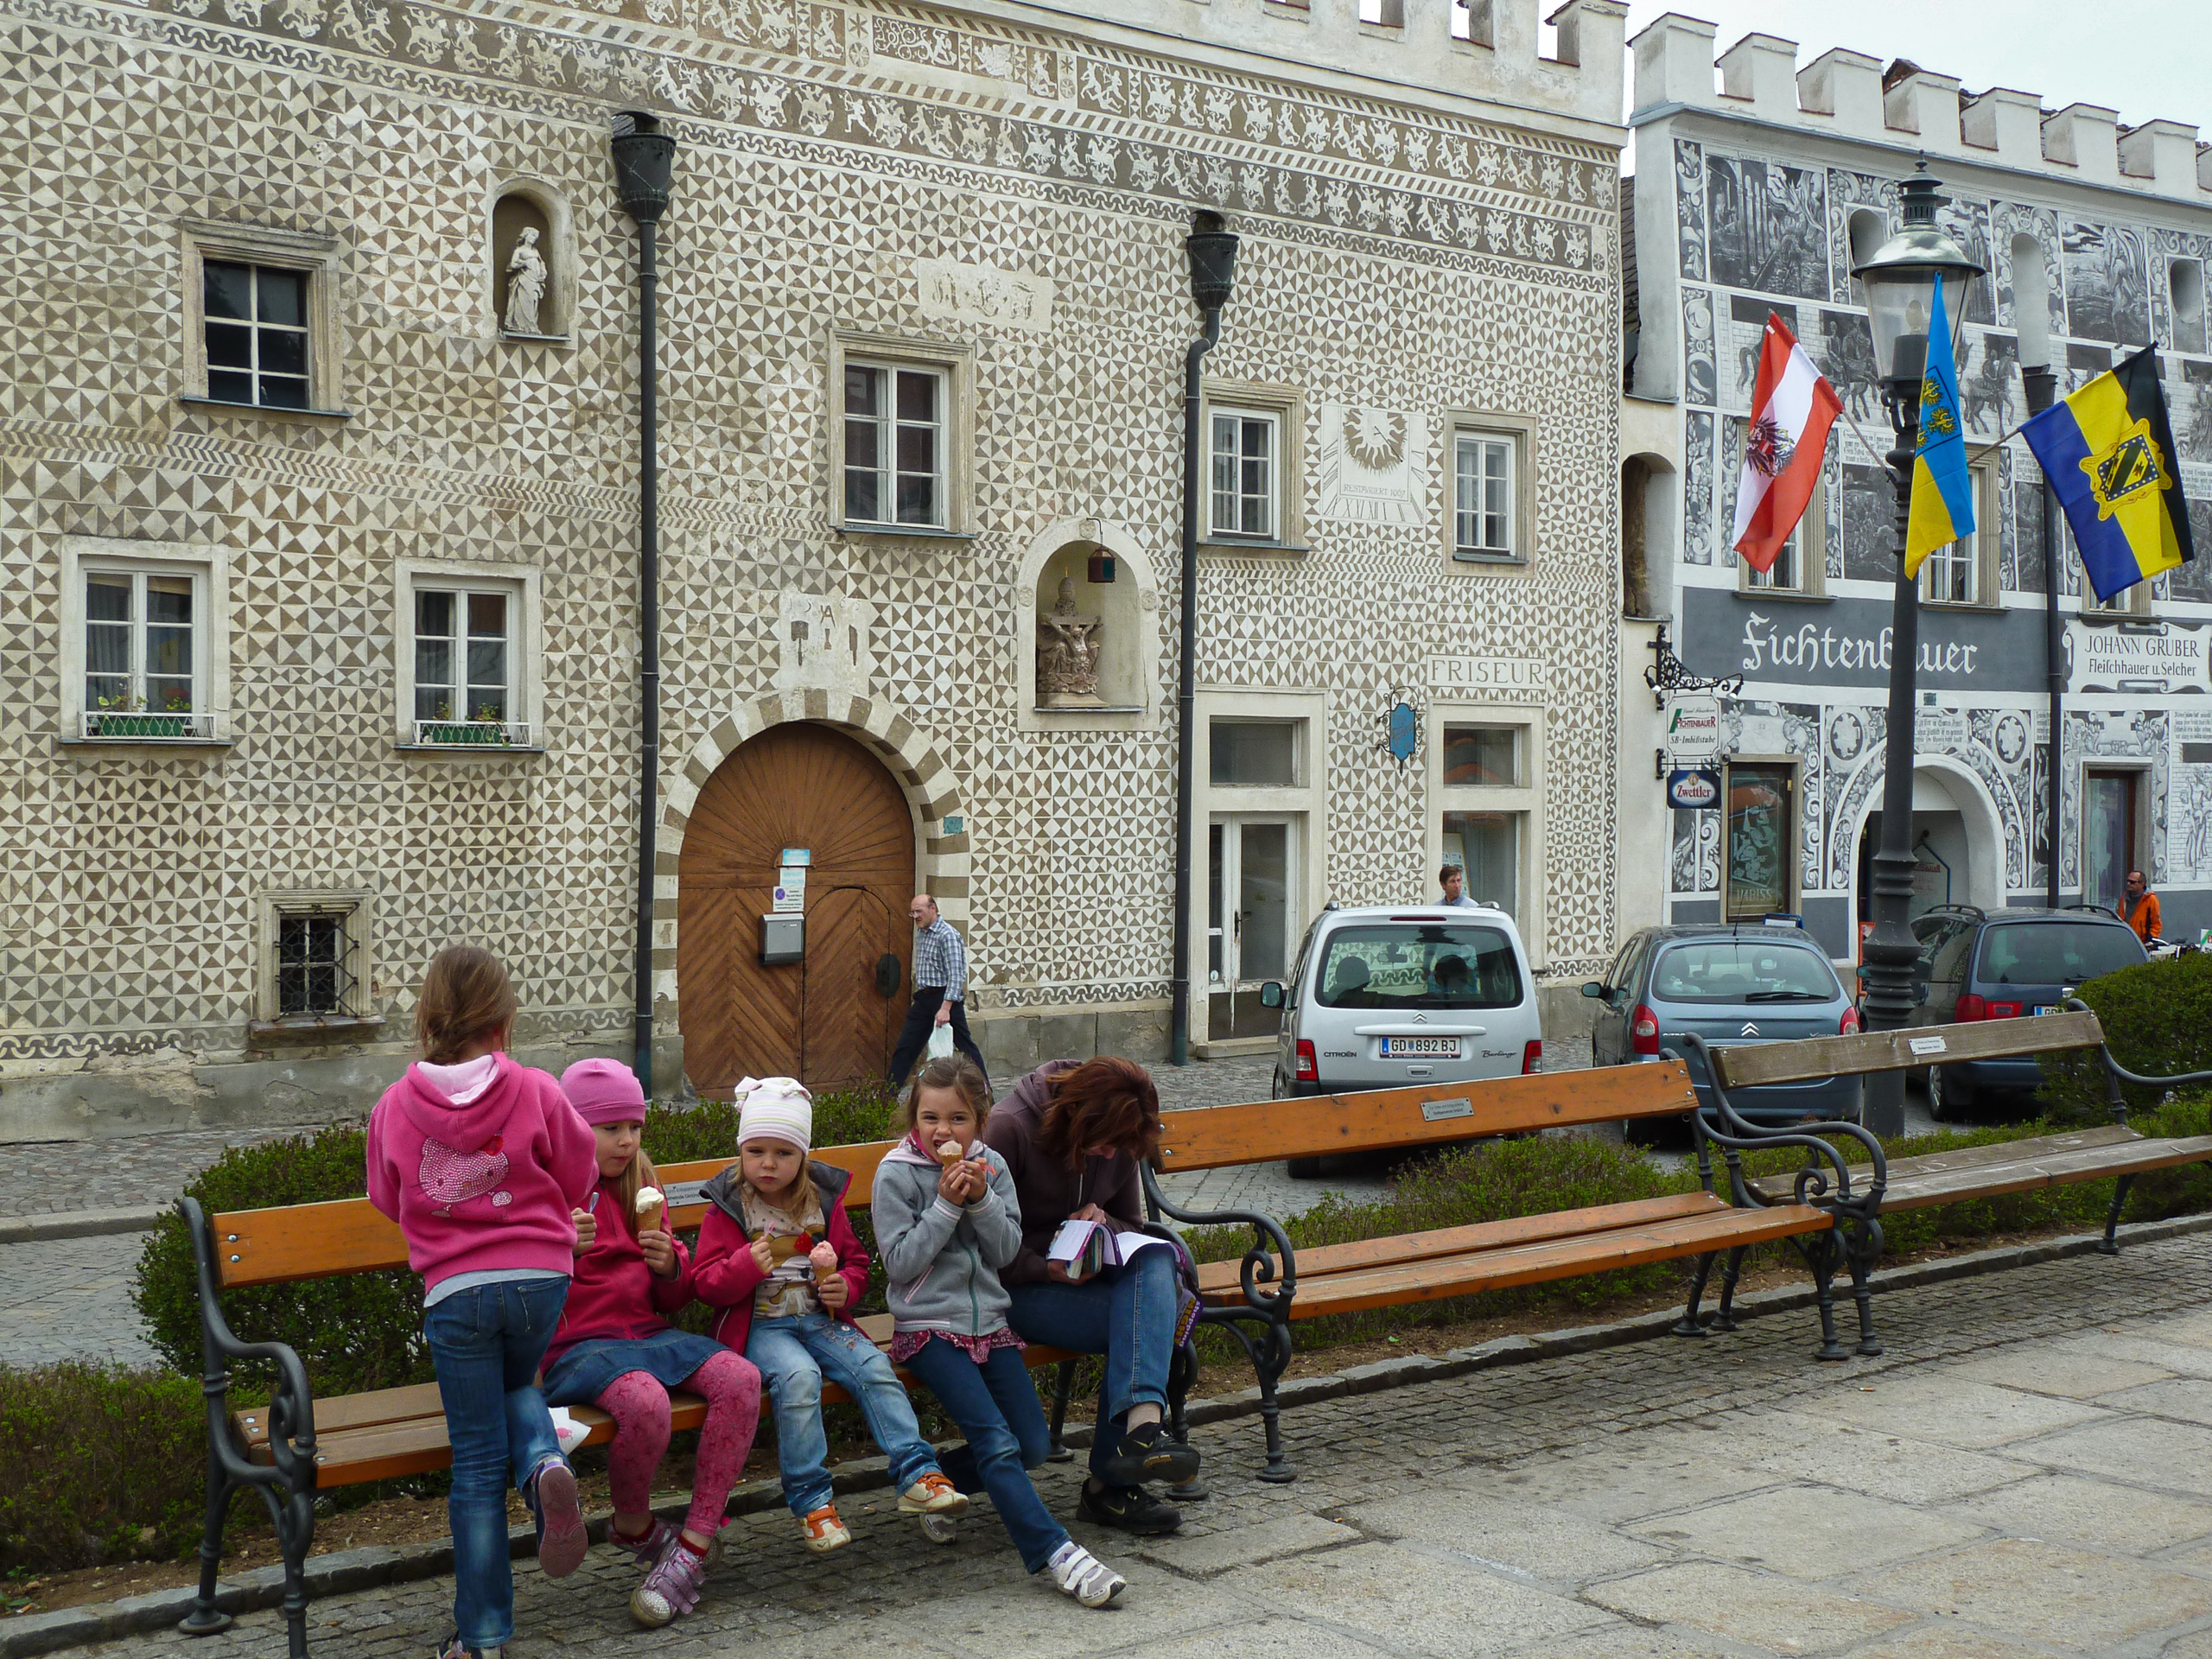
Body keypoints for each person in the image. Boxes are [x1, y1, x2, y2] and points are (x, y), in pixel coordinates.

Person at [365, 945, 599, 1659]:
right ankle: (543, 1467)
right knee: (512, 1384)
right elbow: (581, 1165)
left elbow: (385, 1196)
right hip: (542, 1281)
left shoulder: (395, 1105)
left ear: (427, 1014)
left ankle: (484, 1636)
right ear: (503, 1019)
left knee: (472, 1467)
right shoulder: (533, 1087)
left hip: (458, 1294)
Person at [874, 1055, 1129, 1608]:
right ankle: (1059, 1555)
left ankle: (933, 1480)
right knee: (996, 1441)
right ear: (913, 1119)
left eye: (958, 1119)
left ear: (981, 1121)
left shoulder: (992, 1167)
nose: (943, 1131)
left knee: (1032, 1446)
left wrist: (981, 1200)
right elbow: (900, 1263)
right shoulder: (895, 1173)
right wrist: (944, 1205)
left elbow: (1008, 1250)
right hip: (928, 1328)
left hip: (989, 1323)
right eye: (930, 1118)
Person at [690, 1076, 965, 1552]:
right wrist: (742, 1267)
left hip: (822, 1320)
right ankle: (813, 1502)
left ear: (802, 1155)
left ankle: (919, 1475)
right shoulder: (728, 1207)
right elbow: (705, 1285)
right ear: (741, 1152)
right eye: (756, 1151)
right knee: (799, 1380)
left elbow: (856, 1263)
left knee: (875, 1368)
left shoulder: (821, 1200)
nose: (768, 1164)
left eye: (783, 1153)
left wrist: (844, 1287)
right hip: (762, 1328)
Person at [542, 1058, 762, 1630]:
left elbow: (671, 1301)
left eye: (634, 1127)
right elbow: (526, 1294)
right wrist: (564, 1251)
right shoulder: (549, 1187)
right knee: (645, 1402)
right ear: (573, 1127)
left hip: (649, 1335)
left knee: (740, 1378)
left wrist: (670, 1268)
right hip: (579, 1348)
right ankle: (634, 1524)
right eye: (610, 1127)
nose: (626, 1139)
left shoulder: (643, 1181)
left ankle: (692, 1543)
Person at [985, 1057, 1198, 1538]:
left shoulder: (1121, 1142)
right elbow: (977, 1248)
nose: (1108, 1155)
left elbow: (1135, 1228)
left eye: (1118, 1148)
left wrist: (1102, 1222)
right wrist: (1046, 1267)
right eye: (1101, 1143)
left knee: (1156, 1258)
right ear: (1074, 1118)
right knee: (1144, 1326)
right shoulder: (1009, 1129)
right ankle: (1110, 1484)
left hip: (1082, 1286)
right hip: (1012, 1291)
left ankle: (1140, 1433)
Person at [888, 893, 988, 1089]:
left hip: (945, 999)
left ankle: (986, 1094)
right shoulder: (923, 932)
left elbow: (957, 974)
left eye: (919, 911)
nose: (916, 916)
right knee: (905, 1048)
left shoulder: (947, 935)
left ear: (933, 908)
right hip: (924, 1000)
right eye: (913, 912)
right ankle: (886, 1101)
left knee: (966, 1049)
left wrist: (946, 1008)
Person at [2125, 870, 2162, 944]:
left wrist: (2151, 940)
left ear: (2142, 884)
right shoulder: (2124, 898)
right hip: (2125, 940)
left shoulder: (2150, 899)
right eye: (2128, 881)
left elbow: (2156, 923)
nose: (2128, 884)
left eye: (2132, 882)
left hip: (2142, 942)